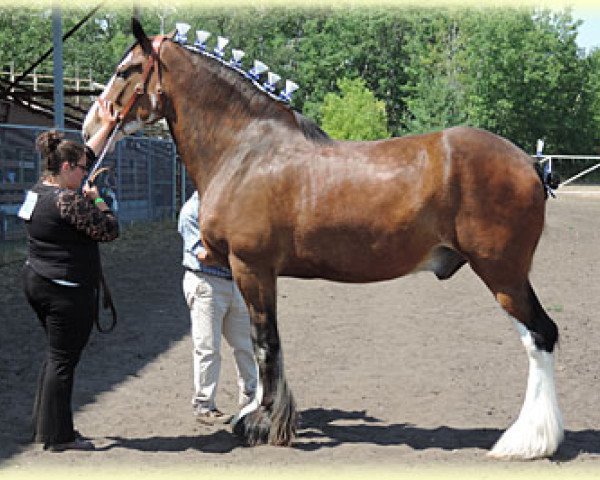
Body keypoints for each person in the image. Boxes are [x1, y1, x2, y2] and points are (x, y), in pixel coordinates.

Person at [20, 99, 119, 452]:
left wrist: (106, 128)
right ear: (65, 167)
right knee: (63, 361)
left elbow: (84, 156)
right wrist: (98, 201)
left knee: (55, 356)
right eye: (79, 169)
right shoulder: (69, 200)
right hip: (66, 290)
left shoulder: (37, 192)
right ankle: (58, 436)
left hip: (37, 280)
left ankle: (45, 425)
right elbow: (109, 231)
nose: (84, 173)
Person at [178, 191, 257, 424]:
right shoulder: (191, 212)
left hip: (235, 283)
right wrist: (238, 254)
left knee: (246, 344)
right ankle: (204, 404)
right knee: (207, 347)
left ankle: (251, 397)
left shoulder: (229, 207)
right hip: (206, 283)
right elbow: (202, 255)